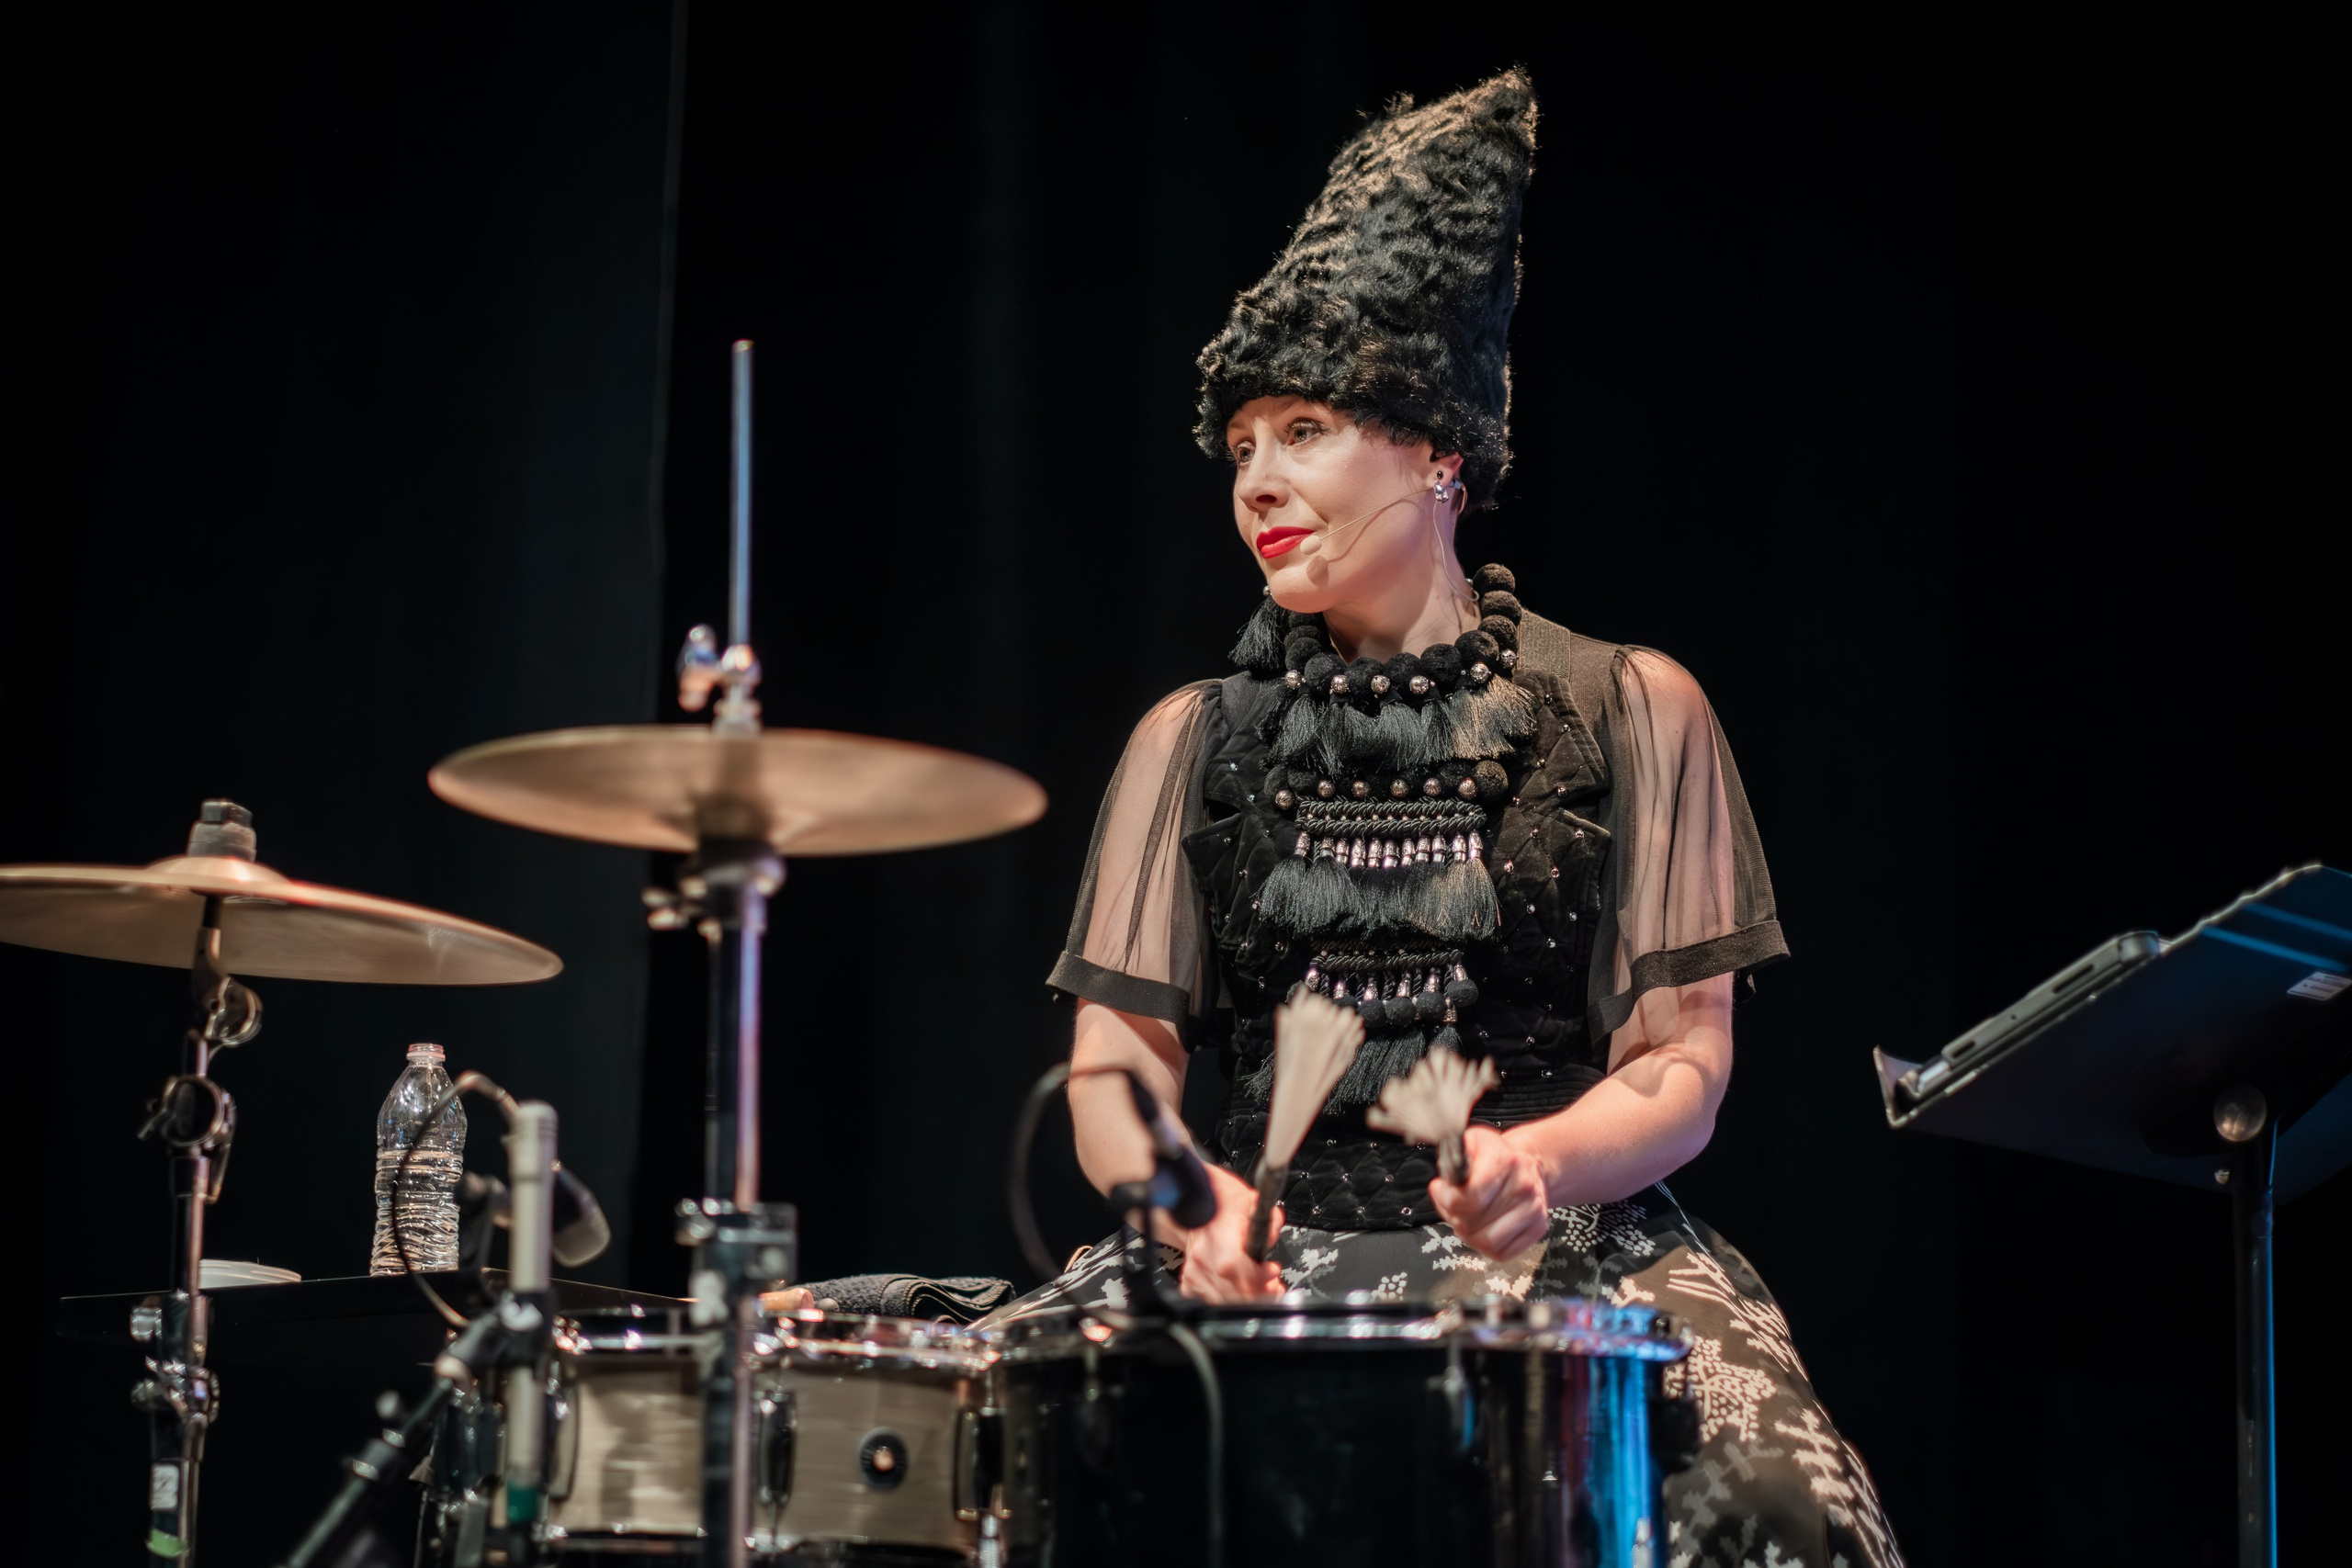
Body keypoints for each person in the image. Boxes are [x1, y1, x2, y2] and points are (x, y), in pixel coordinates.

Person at [1020, 70, 1903, 1568]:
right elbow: (1115, 1074)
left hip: (1568, 1236)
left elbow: (1684, 1067)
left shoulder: (1631, 704)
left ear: (1438, 452)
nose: (1258, 482)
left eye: (1304, 429)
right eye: (1242, 447)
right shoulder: (1190, 738)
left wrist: (1540, 1162)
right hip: (1257, 1245)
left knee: (1777, 1511)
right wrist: (1190, 1206)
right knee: (1002, 1464)